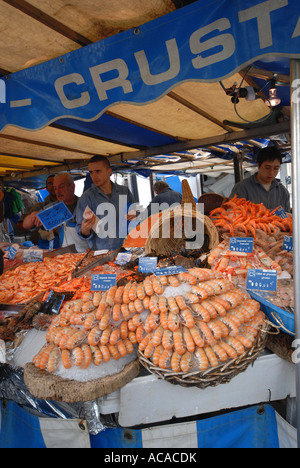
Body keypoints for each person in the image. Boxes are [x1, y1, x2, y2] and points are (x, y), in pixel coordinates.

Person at [76, 155, 134, 251]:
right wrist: (84, 230)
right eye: (91, 172)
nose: (94, 176)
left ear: (109, 171)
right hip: (102, 255)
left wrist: (135, 216)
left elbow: (134, 218)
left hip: (127, 249)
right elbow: (81, 233)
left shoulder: (124, 191)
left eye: (98, 171)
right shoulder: (87, 198)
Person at [23, 173, 89, 253]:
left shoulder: (85, 205)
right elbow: (26, 225)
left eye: (61, 187)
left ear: (72, 187)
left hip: (88, 252)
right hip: (67, 256)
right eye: (55, 188)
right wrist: (32, 216)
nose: (58, 191)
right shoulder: (54, 209)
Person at [230, 147, 290, 212]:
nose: (271, 172)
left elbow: (288, 217)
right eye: (267, 168)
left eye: (276, 168)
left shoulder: (283, 192)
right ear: (258, 165)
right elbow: (232, 214)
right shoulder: (241, 188)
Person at [18, 175, 60, 249]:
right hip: (46, 247)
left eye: (56, 183)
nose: (53, 185)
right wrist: (39, 229)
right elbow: (19, 225)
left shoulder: (70, 204)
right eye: (50, 183)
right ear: (46, 187)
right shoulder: (39, 207)